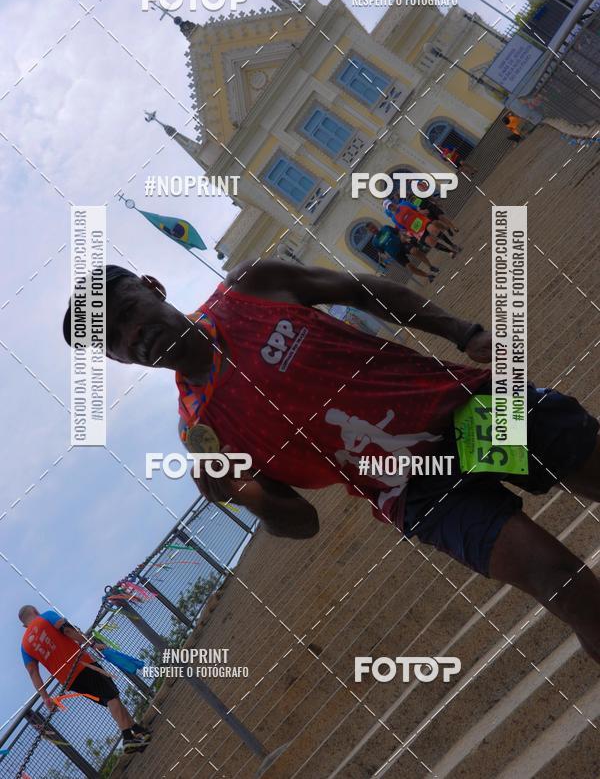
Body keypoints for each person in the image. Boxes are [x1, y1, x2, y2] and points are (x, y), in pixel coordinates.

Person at [63, 264, 600, 663]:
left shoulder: (249, 289)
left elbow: (359, 289)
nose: (132, 335)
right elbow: (302, 522)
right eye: (112, 341)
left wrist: (462, 331)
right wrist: (242, 493)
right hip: (412, 492)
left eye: (126, 312)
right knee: (559, 583)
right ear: (115, 359)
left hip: (462, 409)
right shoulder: (201, 434)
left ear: (152, 286)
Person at [19, 605, 152, 754]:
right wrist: (92, 644)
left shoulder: (24, 646)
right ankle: (128, 738)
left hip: (69, 680)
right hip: (83, 665)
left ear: (24, 626)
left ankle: (138, 730)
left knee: (110, 698)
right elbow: (67, 630)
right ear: (35, 611)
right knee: (111, 697)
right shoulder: (46, 617)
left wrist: (45, 697)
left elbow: (33, 673)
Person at [384, 199, 462, 258]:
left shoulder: (404, 204)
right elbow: (403, 228)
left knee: (434, 230)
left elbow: (416, 208)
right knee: (432, 242)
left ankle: (453, 245)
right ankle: (450, 251)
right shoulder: (394, 219)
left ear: (393, 203)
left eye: (391, 205)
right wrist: (409, 235)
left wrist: (422, 211)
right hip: (416, 231)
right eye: (389, 208)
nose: (391, 207)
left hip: (422, 221)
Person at [367, 223, 439, 282]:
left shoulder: (385, 228)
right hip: (396, 254)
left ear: (375, 225)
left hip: (402, 244)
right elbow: (381, 252)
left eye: (373, 227)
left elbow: (398, 232)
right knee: (410, 268)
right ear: (369, 231)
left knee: (415, 251)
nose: (373, 229)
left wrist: (402, 236)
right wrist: (385, 258)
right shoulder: (374, 242)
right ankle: (428, 276)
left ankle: (431, 266)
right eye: (371, 229)